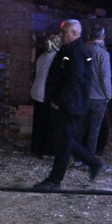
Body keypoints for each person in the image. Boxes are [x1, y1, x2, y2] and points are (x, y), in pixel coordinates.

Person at [33, 19, 102, 191]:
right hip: (69, 104)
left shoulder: (76, 51)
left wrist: (59, 101)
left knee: (63, 143)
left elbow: (74, 81)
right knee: (65, 140)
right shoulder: (71, 49)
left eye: (64, 32)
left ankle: (55, 180)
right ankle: (93, 162)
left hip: (68, 106)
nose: (60, 35)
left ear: (73, 33)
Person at [80, 24, 112, 158]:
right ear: (103, 37)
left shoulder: (81, 50)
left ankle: (78, 157)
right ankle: (89, 158)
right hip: (98, 97)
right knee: (94, 130)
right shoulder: (103, 54)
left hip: (82, 96)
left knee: (81, 128)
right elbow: (105, 76)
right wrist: (108, 94)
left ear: (88, 35)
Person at [30, 34, 60, 157]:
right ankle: (47, 150)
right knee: (48, 124)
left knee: (38, 123)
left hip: (36, 92)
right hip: (45, 94)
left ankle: (35, 148)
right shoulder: (55, 58)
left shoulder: (42, 56)